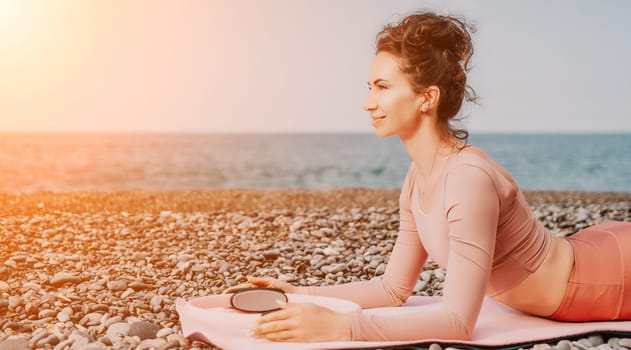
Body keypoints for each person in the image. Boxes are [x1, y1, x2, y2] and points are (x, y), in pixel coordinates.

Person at [228, 11, 631, 342]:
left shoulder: (467, 178)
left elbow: (458, 321)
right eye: (370, 87)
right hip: (588, 248)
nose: (369, 103)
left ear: (427, 97)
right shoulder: (417, 178)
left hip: (603, 279)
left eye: (383, 87)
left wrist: (342, 326)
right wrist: (301, 294)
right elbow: (392, 289)